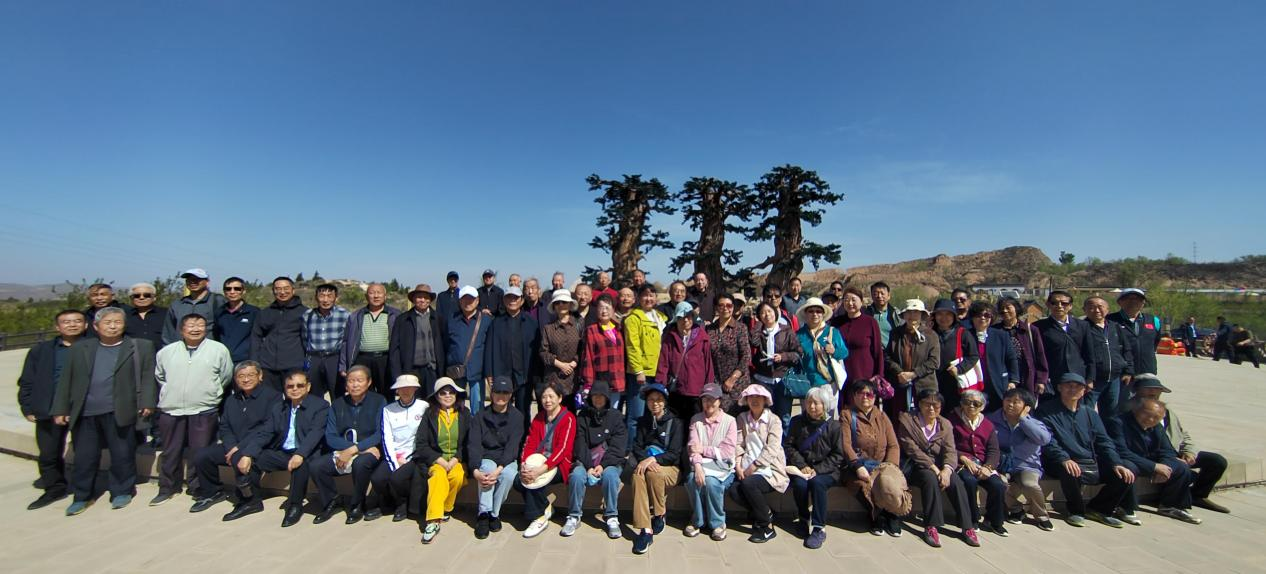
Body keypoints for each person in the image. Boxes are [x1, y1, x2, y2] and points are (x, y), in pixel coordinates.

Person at [51, 307, 157, 515]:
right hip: (86, 411)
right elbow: (66, 381)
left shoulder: (140, 347)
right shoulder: (80, 349)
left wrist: (147, 402)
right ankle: (82, 495)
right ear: (95, 326)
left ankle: (122, 491)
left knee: (122, 454)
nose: (113, 326)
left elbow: (147, 377)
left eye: (118, 322)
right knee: (85, 457)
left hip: (120, 409)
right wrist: (60, 408)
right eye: (108, 322)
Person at [151, 314, 234, 506]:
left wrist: (212, 392)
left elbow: (226, 376)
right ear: (181, 329)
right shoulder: (167, 352)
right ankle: (168, 487)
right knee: (170, 451)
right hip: (172, 409)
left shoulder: (218, 350)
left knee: (200, 451)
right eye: (190, 325)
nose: (195, 329)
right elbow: (160, 376)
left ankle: (198, 487)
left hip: (203, 408)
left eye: (200, 325)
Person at [1035, 372, 1135, 528]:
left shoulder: (1090, 413)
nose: (1073, 389)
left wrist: (1116, 463)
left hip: (1089, 460)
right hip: (1059, 461)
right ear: (1059, 388)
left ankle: (1098, 509)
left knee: (1125, 472)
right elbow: (1047, 441)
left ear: (1084, 391)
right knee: (1069, 469)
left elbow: (1104, 441)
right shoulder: (1045, 411)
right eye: (1068, 386)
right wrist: (1064, 458)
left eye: (1078, 387)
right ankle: (1076, 511)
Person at [236, 371, 329, 527]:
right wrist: (247, 454)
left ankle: (295, 506)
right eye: (290, 386)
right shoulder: (280, 407)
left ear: (308, 387)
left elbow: (316, 433)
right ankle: (252, 501)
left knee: (300, 466)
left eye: (300, 385)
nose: (295, 389)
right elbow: (266, 432)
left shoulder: (320, 406)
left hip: (308, 452)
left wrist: (300, 454)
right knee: (255, 459)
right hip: (284, 452)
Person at [188, 360, 279, 520]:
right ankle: (212, 492)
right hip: (234, 446)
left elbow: (267, 428)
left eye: (250, 375)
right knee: (202, 455)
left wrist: (240, 447)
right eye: (241, 376)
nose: (246, 379)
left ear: (260, 376)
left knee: (239, 458)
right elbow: (225, 426)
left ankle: (251, 501)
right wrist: (232, 446)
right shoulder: (232, 400)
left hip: (260, 445)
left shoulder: (273, 397)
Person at [1126, 375, 1229, 514]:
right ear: (1137, 390)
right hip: (1155, 455)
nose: (1154, 392)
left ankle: (1197, 495)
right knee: (1183, 470)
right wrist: (1168, 459)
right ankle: (1169, 503)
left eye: (1157, 389)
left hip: (1174, 451)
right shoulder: (1131, 410)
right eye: (1149, 389)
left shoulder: (1167, 411)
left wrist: (1189, 452)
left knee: (1217, 462)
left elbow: (1183, 434)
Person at [18, 309, 86, 510]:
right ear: (57, 327)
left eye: (77, 321)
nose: (72, 325)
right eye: (66, 322)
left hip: (83, 410)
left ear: (86, 325)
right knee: (49, 453)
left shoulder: (93, 347)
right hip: (49, 408)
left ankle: (84, 489)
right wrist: (27, 406)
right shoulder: (41, 351)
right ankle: (54, 488)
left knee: (85, 453)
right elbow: (27, 380)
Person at [896, 389, 980, 548]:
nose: (931, 408)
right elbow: (912, 450)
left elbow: (950, 450)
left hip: (941, 466)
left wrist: (947, 471)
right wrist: (935, 469)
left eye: (936, 405)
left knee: (956, 481)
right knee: (930, 479)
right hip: (916, 465)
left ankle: (967, 526)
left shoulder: (945, 424)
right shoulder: (907, 421)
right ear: (920, 404)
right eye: (927, 404)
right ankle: (931, 526)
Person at [310, 366, 387, 525]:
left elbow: (379, 434)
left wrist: (354, 450)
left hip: (371, 451)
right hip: (345, 450)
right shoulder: (337, 404)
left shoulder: (379, 401)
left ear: (369, 382)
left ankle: (357, 504)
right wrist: (351, 449)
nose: (355, 385)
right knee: (316, 466)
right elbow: (331, 436)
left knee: (361, 463)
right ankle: (331, 501)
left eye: (359, 380)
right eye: (351, 381)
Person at [413, 377, 480, 543]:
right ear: (437, 396)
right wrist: (439, 460)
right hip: (436, 460)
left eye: (451, 392)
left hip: (457, 460)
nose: (448, 396)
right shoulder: (429, 415)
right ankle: (433, 520)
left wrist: (456, 459)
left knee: (457, 477)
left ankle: (445, 508)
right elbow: (421, 444)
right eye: (443, 393)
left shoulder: (464, 414)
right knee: (438, 477)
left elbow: (469, 442)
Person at [1114, 398, 1201, 524]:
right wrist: (1154, 467)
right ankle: (1125, 508)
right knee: (1128, 467)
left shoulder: (1156, 427)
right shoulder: (1119, 423)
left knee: (1181, 466)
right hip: (1129, 460)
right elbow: (1121, 451)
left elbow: (1167, 450)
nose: (1150, 419)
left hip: (1149, 461)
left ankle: (1171, 506)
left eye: (1156, 417)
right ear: (1136, 410)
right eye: (1147, 414)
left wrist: (1164, 466)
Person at [840, 378, 905, 537]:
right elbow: (845, 444)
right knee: (863, 485)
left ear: (875, 397)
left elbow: (893, 445)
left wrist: (890, 467)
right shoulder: (847, 415)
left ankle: (892, 513)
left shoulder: (882, 416)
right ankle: (877, 515)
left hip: (882, 465)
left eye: (869, 394)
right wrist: (857, 466)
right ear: (854, 396)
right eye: (861, 393)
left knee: (888, 481)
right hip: (858, 466)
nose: (865, 397)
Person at [563, 380, 627, 539]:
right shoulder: (583, 416)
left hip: (609, 462)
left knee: (611, 476)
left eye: (601, 396)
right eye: (595, 395)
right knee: (576, 476)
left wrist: (603, 465)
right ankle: (574, 515)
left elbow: (618, 446)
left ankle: (611, 516)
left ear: (607, 398)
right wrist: (589, 466)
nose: (598, 399)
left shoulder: (616, 417)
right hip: (586, 461)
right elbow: (580, 443)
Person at [986, 387, 1054, 531]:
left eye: (1016, 402)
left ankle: (1042, 516)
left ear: (1026, 407)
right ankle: (1016, 509)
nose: (1010, 404)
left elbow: (1044, 439)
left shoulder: (1034, 423)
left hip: (1027, 465)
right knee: (998, 484)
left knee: (1030, 484)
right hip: (1001, 465)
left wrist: (1024, 420)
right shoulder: (991, 420)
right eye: (1008, 400)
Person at [783, 386, 843, 549]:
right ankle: (803, 518)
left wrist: (819, 469)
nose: (812, 406)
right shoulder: (797, 422)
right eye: (809, 402)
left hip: (826, 470)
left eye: (816, 403)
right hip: (802, 468)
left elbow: (838, 454)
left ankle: (818, 527)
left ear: (825, 405)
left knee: (818, 484)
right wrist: (802, 465)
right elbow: (789, 446)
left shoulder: (834, 426)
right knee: (800, 485)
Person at [728, 384, 788, 543]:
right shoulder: (742, 418)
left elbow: (773, 448)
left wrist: (754, 466)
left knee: (749, 484)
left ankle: (765, 526)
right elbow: (738, 444)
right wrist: (738, 465)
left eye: (758, 397)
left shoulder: (774, 420)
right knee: (733, 490)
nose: (754, 400)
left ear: (765, 400)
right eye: (751, 397)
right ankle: (765, 512)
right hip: (745, 465)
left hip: (769, 468)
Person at [629, 383, 684, 555]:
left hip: (671, 468)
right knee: (637, 476)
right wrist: (645, 460)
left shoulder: (676, 423)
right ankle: (645, 530)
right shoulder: (643, 422)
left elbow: (675, 453)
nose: (655, 403)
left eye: (659, 400)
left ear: (665, 402)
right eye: (651, 400)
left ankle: (659, 514)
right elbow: (636, 447)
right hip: (647, 465)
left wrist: (653, 460)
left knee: (653, 473)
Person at [518, 382, 579, 538]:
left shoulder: (568, 418)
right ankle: (545, 508)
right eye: (544, 397)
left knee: (534, 483)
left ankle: (538, 519)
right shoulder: (539, 417)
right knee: (519, 480)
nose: (547, 400)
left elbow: (563, 449)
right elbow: (530, 442)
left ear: (560, 398)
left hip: (558, 464)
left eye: (551, 396)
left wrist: (541, 470)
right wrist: (524, 464)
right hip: (538, 460)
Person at [947, 389, 1008, 536]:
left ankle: (994, 521)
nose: (971, 406)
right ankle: (972, 519)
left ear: (982, 407)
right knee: (969, 481)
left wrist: (988, 467)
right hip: (961, 463)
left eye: (976, 403)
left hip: (982, 464)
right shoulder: (951, 420)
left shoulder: (987, 424)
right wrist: (963, 458)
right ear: (962, 404)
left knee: (998, 485)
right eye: (967, 402)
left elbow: (994, 450)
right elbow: (948, 445)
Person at [369, 374, 429, 522]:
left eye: (409, 387)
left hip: (413, 455)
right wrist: (394, 462)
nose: (405, 391)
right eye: (402, 388)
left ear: (415, 389)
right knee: (377, 479)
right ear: (397, 390)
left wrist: (407, 458)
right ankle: (389, 502)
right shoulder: (388, 410)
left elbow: (423, 436)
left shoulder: (424, 407)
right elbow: (387, 437)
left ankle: (402, 503)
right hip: (393, 454)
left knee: (398, 478)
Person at [472, 377, 525, 538]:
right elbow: (474, 444)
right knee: (487, 470)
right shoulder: (480, 415)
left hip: (506, 459)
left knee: (508, 475)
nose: (501, 396)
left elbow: (513, 447)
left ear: (510, 395)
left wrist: (499, 469)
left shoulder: (517, 417)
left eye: (505, 392)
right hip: (487, 456)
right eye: (498, 392)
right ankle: (483, 514)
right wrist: (475, 471)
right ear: (492, 393)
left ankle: (494, 513)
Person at [684, 383, 737, 541]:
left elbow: (727, 452)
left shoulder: (730, 421)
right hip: (701, 465)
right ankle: (697, 520)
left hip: (723, 468)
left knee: (712, 483)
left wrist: (704, 449)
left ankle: (718, 523)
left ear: (719, 401)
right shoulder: (696, 420)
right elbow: (692, 447)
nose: (708, 403)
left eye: (712, 399)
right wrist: (698, 466)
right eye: (705, 399)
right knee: (692, 479)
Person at [484, 286, 540, 424]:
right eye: (509, 297)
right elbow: (489, 349)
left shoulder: (531, 323)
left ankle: (523, 436)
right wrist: (489, 373)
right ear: (504, 300)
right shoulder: (496, 323)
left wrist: (536, 374)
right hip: (502, 374)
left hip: (524, 376)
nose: (512, 301)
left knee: (523, 410)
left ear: (522, 301)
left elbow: (537, 350)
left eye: (516, 298)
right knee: (501, 409)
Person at [340, 283, 402, 397]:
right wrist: (343, 365)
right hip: (363, 359)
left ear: (385, 296)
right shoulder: (356, 316)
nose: (376, 296)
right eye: (372, 293)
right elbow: (346, 342)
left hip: (386, 360)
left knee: (387, 393)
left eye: (379, 293)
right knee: (364, 393)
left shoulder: (395, 315)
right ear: (366, 296)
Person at [657, 302, 714, 423]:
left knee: (695, 425)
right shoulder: (669, 338)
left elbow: (708, 365)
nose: (686, 320)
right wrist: (660, 386)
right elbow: (663, 363)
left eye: (689, 316)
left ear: (693, 318)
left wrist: (708, 389)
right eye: (681, 317)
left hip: (696, 392)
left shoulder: (702, 337)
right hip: (676, 391)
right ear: (676, 319)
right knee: (676, 425)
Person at [884, 299, 940, 420]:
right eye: (909, 312)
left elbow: (934, 362)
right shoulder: (895, 333)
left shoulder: (931, 335)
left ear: (922, 315)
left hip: (924, 386)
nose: (912, 316)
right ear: (903, 315)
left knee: (925, 419)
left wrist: (914, 374)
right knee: (900, 419)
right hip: (900, 384)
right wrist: (899, 372)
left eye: (916, 312)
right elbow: (887, 356)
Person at [624, 285, 667, 438]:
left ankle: (647, 444)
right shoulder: (633, 319)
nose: (648, 299)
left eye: (651, 295)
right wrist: (638, 370)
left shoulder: (661, 317)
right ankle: (631, 448)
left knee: (653, 414)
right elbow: (632, 346)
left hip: (658, 372)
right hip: (641, 375)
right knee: (636, 415)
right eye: (645, 295)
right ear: (639, 298)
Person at [251, 276, 308, 392]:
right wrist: (254, 363)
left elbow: (308, 341)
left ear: (293, 290)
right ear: (273, 291)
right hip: (267, 367)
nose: (282, 292)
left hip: (294, 366)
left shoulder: (304, 313)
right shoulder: (265, 313)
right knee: (269, 399)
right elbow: (256, 338)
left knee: (294, 398)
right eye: (278, 289)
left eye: (286, 288)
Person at [749, 301, 801, 426]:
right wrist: (758, 324)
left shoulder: (786, 331)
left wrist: (783, 357)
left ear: (776, 313)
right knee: (765, 416)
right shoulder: (759, 332)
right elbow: (754, 342)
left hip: (783, 380)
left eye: (769, 311)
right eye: (763, 313)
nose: (767, 315)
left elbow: (798, 354)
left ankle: (784, 439)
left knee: (784, 416)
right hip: (763, 379)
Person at [389, 283, 446, 396]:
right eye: (419, 297)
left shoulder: (438, 319)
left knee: (431, 402)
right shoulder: (402, 320)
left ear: (430, 300)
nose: (422, 300)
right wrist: (397, 375)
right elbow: (394, 349)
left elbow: (445, 345)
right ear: (414, 299)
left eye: (426, 297)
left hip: (432, 370)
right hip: (411, 370)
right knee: (412, 401)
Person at [1034, 290, 1095, 395]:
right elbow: (1037, 355)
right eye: (1054, 303)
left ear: (1070, 306)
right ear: (1048, 304)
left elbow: (1089, 354)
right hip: (1052, 377)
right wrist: (1040, 379)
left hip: (1078, 376)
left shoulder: (1082, 325)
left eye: (1064, 303)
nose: (1059, 306)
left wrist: (1090, 378)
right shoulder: (1038, 327)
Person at [1083, 296, 1134, 419]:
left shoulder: (1115, 327)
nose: (1096, 310)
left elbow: (1126, 350)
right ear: (1084, 310)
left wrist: (1128, 371)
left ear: (1107, 309)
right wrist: (1087, 377)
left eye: (1100, 307)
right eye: (1091, 307)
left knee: (1111, 414)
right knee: (1086, 412)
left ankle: (1108, 432)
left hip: (1114, 379)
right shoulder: (1082, 327)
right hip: (1092, 380)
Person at [446, 285, 492, 412]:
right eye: (464, 299)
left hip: (477, 371)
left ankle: (476, 425)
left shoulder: (486, 320)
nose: (468, 302)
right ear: (460, 301)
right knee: (456, 407)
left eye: (471, 299)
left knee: (477, 408)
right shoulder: (451, 320)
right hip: (456, 371)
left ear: (477, 301)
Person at [967, 302, 1020, 412]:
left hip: (997, 383)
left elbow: (1011, 359)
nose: (982, 318)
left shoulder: (1001, 335)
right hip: (973, 384)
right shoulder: (965, 335)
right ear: (972, 317)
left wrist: (1013, 381)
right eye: (978, 315)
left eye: (987, 315)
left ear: (992, 317)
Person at [301, 283, 351, 399]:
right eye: (322, 296)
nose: (325, 300)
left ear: (336, 298)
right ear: (316, 297)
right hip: (314, 358)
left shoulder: (344, 315)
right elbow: (304, 338)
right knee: (313, 393)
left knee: (337, 392)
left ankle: (337, 411)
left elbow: (348, 339)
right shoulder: (307, 315)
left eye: (329, 296)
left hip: (334, 358)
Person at [830, 286, 884, 392]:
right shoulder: (836, 323)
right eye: (846, 300)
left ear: (861, 302)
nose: (850, 303)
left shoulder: (870, 322)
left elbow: (877, 351)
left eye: (853, 300)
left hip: (865, 374)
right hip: (841, 375)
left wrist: (879, 375)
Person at [994, 296, 1049, 396]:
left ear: (1016, 308)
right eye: (1002, 308)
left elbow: (1040, 355)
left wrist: (1041, 379)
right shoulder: (994, 331)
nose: (1005, 311)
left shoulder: (1030, 330)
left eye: (1008, 308)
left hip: (1027, 376)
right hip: (1003, 376)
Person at [541, 289, 583, 414]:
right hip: (554, 377)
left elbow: (582, 348)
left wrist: (573, 363)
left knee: (571, 412)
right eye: (557, 303)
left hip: (573, 378)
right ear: (554, 306)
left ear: (570, 304)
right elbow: (543, 352)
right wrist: (560, 364)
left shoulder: (579, 325)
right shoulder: (548, 328)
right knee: (554, 412)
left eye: (564, 302)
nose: (561, 305)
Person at [930, 298, 978, 408]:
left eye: (948, 314)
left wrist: (959, 368)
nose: (944, 318)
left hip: (956, 383)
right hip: (934, 382)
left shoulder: (963, 333)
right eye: (940, 314)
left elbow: (973, 356)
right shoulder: (929, 333)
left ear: (954, 316)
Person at [709, 293, 752, 414]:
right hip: (717, 383)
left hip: (737, 384)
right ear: (716, 307)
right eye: (721, 305)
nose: (725, 308)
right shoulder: (709, 329)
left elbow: (746, 356)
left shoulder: (740, 328)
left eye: (729, 305)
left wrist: (732, 378)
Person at [797, 297, 848, 401]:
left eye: (818, 311)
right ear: (805, 314)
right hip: (806, 383)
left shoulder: (832, 332)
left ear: (823, 314)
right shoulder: (799, 335)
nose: (815, 314)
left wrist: (834, 351)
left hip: (828, 383)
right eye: (811, 311)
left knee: (829, 411)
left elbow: (844, 352)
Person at [579, 298, 626, 408]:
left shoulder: (618, 329)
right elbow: (588, 357)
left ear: (613, 310)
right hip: (601, 381)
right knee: (600, 412)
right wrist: (588, 383)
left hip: (617, 379)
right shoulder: (592, 330)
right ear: (596, 310)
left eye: (607, 308)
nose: (604, 311)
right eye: (601, 308)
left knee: (614, 412)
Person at [163, 268, 226, 345]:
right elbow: (168, 332)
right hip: (181, 349)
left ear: (207, 282)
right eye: (189, 279)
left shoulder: (217, 301)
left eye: (197, 279)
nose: (192, 282)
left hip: (208, 350)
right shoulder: (177, 304)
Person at [1106, 288, 1161, 376]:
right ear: (1119, 302)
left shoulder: (1154, 320)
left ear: (1143, 303)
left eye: (1138, 299)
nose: (1133, 301)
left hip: (1147, 370)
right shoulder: (1109, 320)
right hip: (1119, 373)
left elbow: (1155, 343)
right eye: (1129, 298)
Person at [214, 277, 258, 364]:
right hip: (223, 360)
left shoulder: (254, 312)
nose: (232, 292)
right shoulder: (219, 312)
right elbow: (216, 336)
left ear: (243, 291)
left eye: (237, 289)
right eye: (228, 289)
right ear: (224, 292)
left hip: (245, 361)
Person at [124, 282, 166, 351]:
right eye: (137, 295)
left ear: (154, 298)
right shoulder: (124, 316)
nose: (141, 298)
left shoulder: (166, 314)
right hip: (132, 355)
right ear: (131, 298)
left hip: (161, 355)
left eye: (146, 295)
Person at [864, 281, 902, 348]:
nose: (879, 296)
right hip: (871, 352)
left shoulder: (896, 314)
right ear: (872, 296)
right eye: (876, 294)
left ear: (888, 295)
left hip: (891, 352)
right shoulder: (866, 314)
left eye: (882, 293)